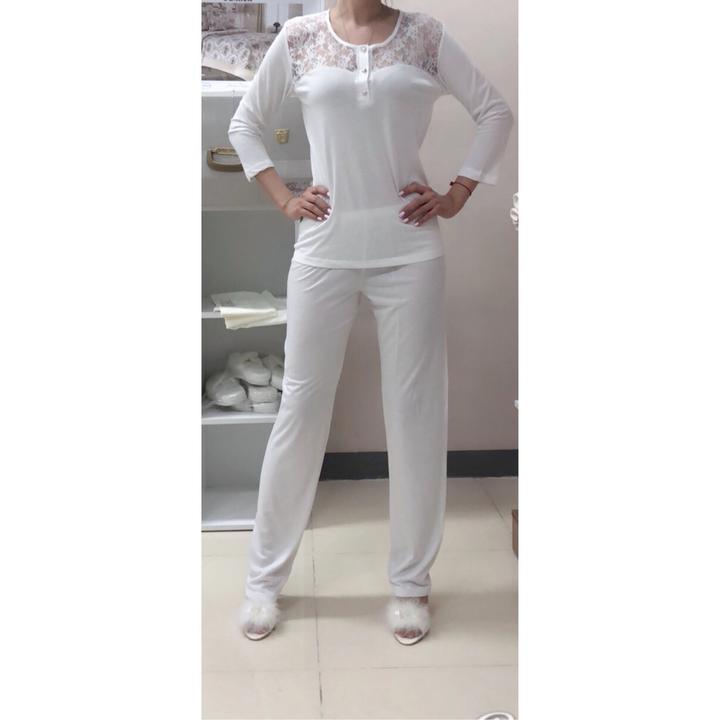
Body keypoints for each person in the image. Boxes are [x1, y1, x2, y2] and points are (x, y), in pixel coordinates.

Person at [228, 0, 514, 645]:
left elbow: (495, 111)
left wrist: (458, 192)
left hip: (409, 250)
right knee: (301, 408)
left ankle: (410, 583)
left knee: (415, 411)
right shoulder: (299, 37)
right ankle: (263, 581)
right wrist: (284, 198)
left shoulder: (426, 36)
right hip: (323, 248)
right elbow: (246, 124)